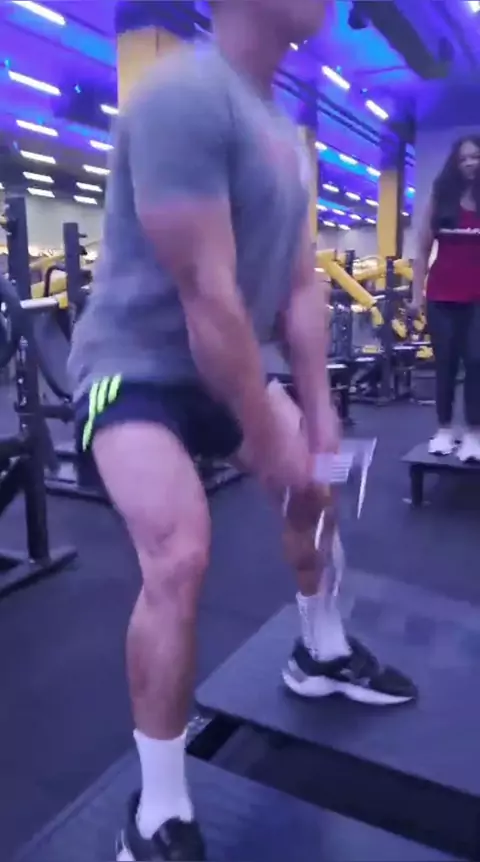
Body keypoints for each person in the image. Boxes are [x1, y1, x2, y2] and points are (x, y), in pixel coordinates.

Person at [69, 1, 417, 859]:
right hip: (133, 367)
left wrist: (318, 413)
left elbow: (298, 287)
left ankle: (321, 649)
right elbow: (207, 293)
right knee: (180, 551)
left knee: (316, 488)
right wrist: (269, 431)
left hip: (223, 369)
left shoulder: (283, 136)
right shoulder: (180, 96)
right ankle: (157, 810)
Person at [412, 136, 480, 461]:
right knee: (446, 364)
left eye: (476, 157)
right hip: (441, 296)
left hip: (477, 298)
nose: (470, 164)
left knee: (477, 362)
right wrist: (416, 297)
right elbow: (422, 251)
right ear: (455, 162)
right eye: (464, 158)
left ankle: (474, 433)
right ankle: (444, 430)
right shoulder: (440, 198)